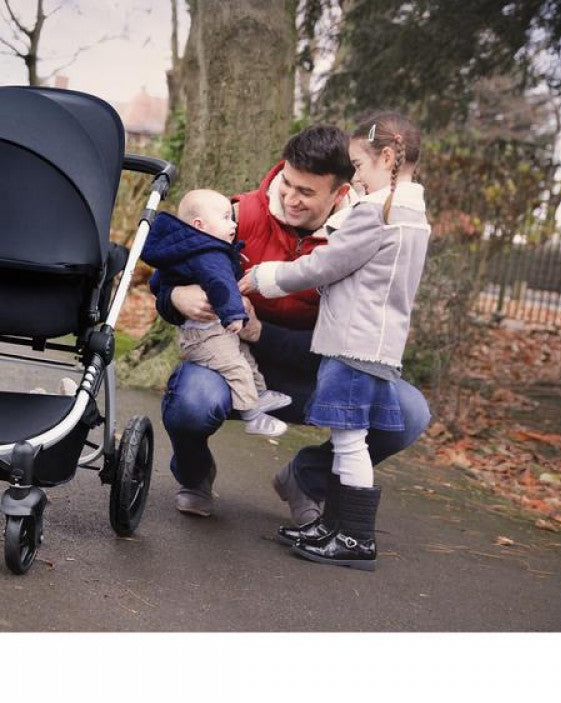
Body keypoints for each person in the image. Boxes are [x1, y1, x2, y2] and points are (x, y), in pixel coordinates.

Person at [152, 123, 431, 522]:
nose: (290, 198)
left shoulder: (361, 235)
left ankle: (306, 478)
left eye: (306, 192)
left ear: (340, 193)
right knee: (193, 400)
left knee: (407, 414)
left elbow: (354, 332)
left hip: (317, 372)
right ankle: (195, 474)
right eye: (287, 183)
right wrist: (176, 297)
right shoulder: (235, 217)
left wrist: (262, 333)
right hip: (230, 365)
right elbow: (171, 274)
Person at [238, 112, 429, 570]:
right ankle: (334, 527)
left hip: (352, 344)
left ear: (387, 157)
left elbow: (325, 264)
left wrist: (266, 276)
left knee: (349, 441)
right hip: (378, 343)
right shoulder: (413, 217)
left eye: (358, 166)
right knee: (353, 439)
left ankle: (354, 537)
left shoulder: (377, 212)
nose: (355, 178)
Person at [141, 190, 292, 461]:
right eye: (225, 218)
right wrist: (234, 314)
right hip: (205, 336)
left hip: (215, 330)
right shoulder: (209, 253)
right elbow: (221, 285)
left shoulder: (189, 248)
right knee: (236, 367)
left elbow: (157, 281)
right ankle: (252, 415)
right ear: (200, 225)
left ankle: (259, 394)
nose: (233, 224)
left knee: (244, 359)